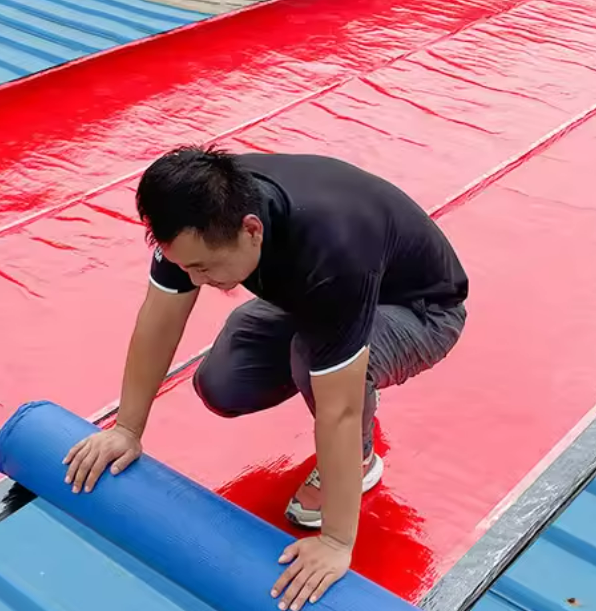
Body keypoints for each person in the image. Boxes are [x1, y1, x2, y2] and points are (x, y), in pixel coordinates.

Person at [63, 146, 468, 610]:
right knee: (222, 384)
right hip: (322, 294)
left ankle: (358, 458)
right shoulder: (197, 211)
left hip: (422, 310)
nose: (195, 279)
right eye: (185, 267)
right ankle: (332, 353)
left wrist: (336, 542)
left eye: (204, 268)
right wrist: (126, 429)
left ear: (252, 230)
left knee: (316, 364)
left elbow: (338, 409)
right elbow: (159, 319)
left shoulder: (330, 249)